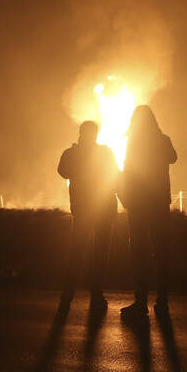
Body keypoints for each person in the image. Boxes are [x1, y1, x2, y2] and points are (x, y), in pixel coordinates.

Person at [118, 105, 177, 324]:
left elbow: (128, 171)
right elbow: (173, 158)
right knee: (161, 251)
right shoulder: (162, 140)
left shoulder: (134, 142)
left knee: (139, 253)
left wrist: (126, 198)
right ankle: (162, 300)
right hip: (158, 203)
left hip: (140, 205)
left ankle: (141, 302)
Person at [57, 120, 120, 312]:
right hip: (102, 208)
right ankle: (96, 294)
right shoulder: (104, 152)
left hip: (84, 208)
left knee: (77, 252)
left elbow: (63, 171)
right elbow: (116, 175)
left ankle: (68, 294)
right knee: (100, 253)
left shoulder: (72, 153)